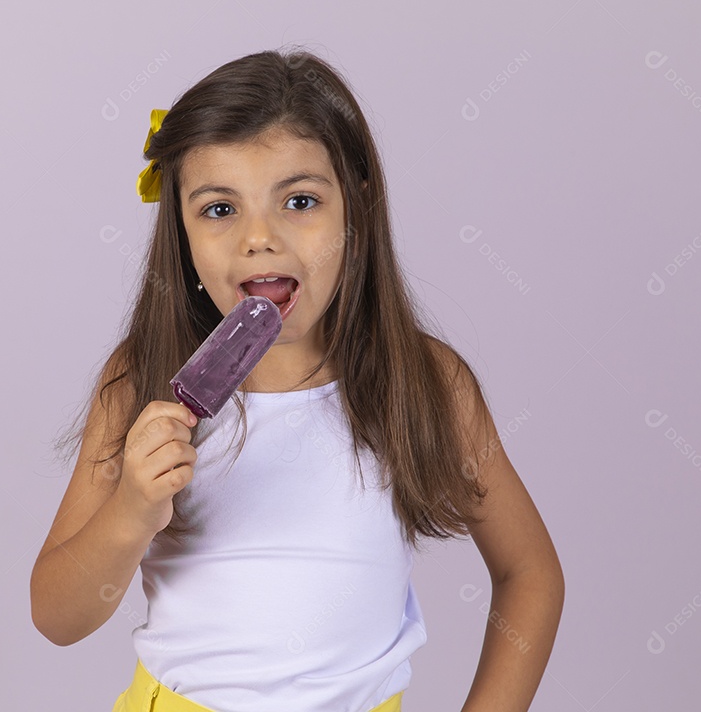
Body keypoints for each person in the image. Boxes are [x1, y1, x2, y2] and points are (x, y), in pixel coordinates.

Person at [31, 47, 564, 712]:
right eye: (220, 209)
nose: (260, 237)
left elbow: (529, 573)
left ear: (358, 210)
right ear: (182, 232)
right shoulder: (143, 381)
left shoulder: (425, 381)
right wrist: (131, 512)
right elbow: (57, 616)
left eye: (301, 200)